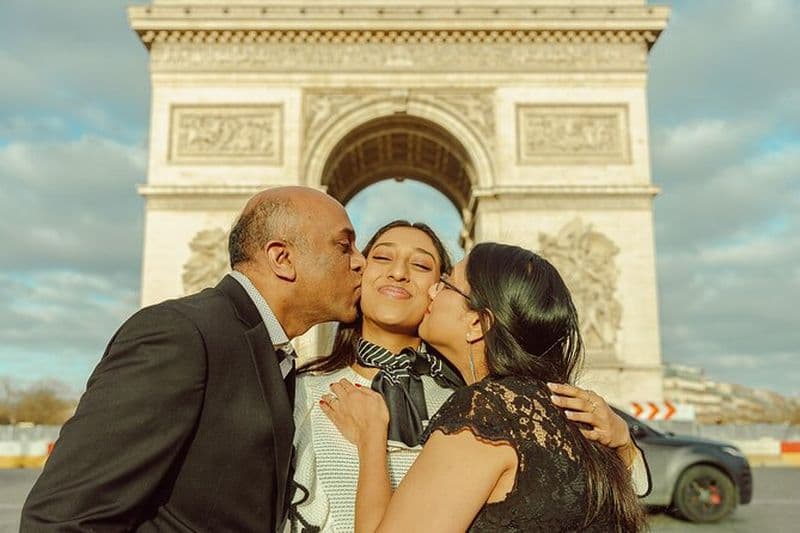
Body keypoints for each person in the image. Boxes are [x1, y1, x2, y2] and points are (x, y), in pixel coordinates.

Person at [20, 187, 365, 532]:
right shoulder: (180, 335)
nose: (360, 261)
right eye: (343, 245)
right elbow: (65, 517)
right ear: (282, 258)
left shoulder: (271, 352)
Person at [293, 224, 648, 532]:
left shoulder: (480, 408)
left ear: (477, 321)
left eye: (431, 272)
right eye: (383, 257)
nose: (399, 273)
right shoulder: (300, 389)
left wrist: (623, 443)